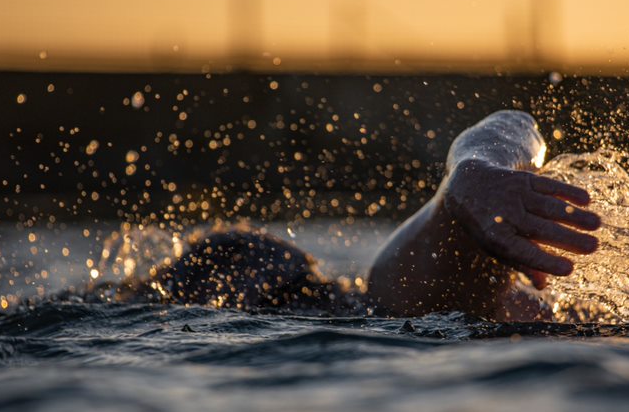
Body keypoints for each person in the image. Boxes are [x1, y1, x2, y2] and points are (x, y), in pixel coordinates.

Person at [127, 110, 600, 322]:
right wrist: (478, 168)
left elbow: (510, 124)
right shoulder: (379, 296)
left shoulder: (378, 302)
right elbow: (511, 124)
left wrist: (476, 170)